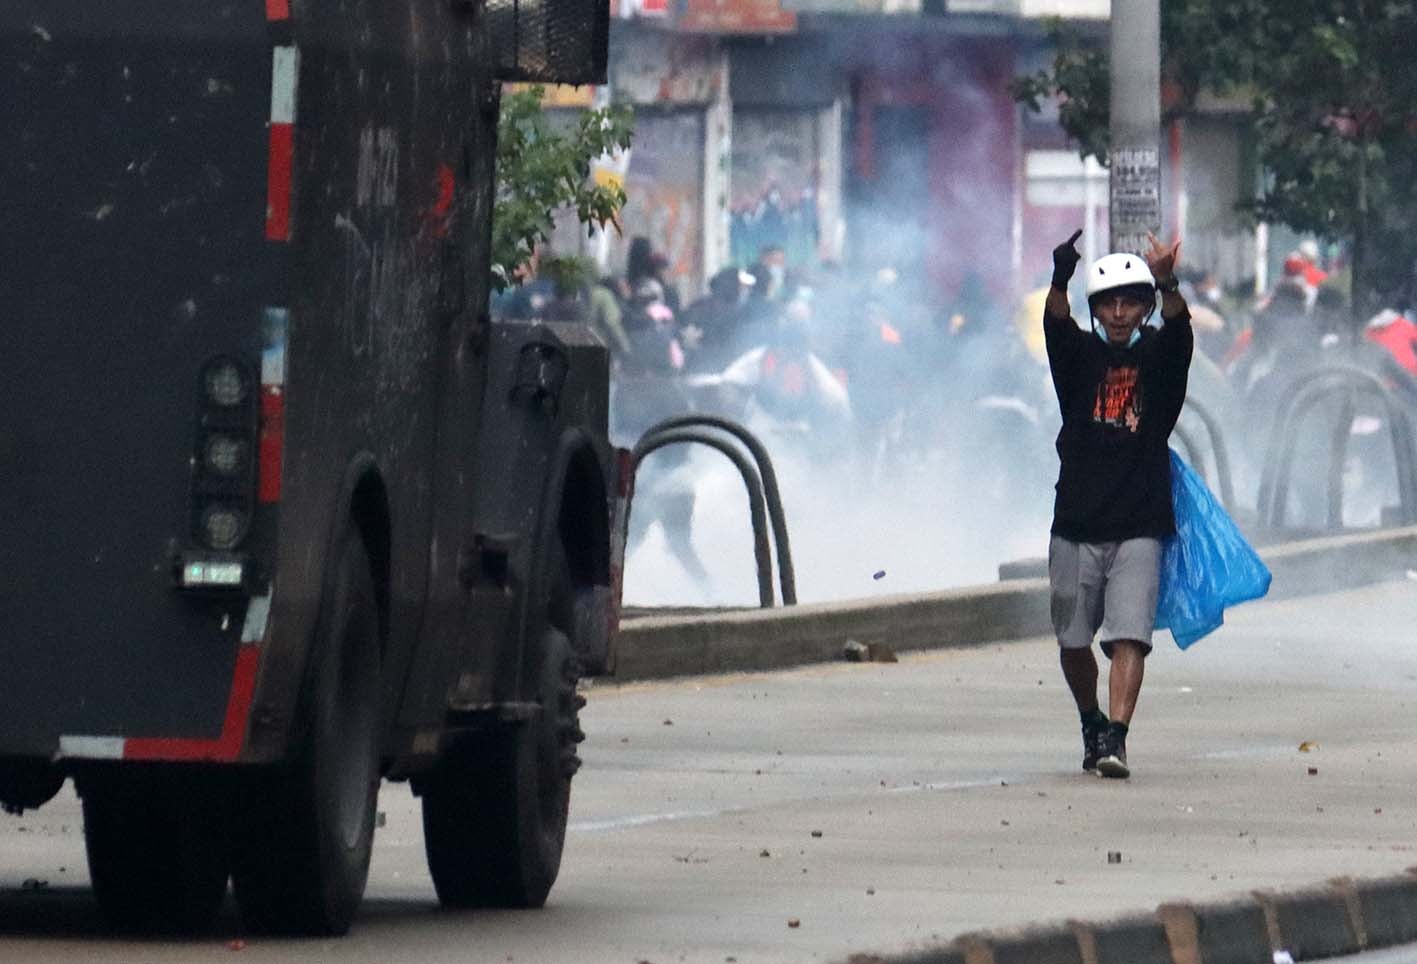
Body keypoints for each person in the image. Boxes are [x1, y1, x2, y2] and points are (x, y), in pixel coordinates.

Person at [1043, 229, 1193, 780]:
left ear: (1146, 306)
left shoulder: (1159, 357)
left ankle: (1117, 738)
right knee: (1073, 639)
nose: (1121, 312)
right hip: (1077, 521)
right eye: (1110, 302)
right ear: (1097, 310)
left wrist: (1169, 279)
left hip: (1139, 522)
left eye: (1132, 301)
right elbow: (1055, 323)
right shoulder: (1079, 358)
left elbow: (1180, 331)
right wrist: (1060, 275)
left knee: (1131, 634)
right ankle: (1090, 719)